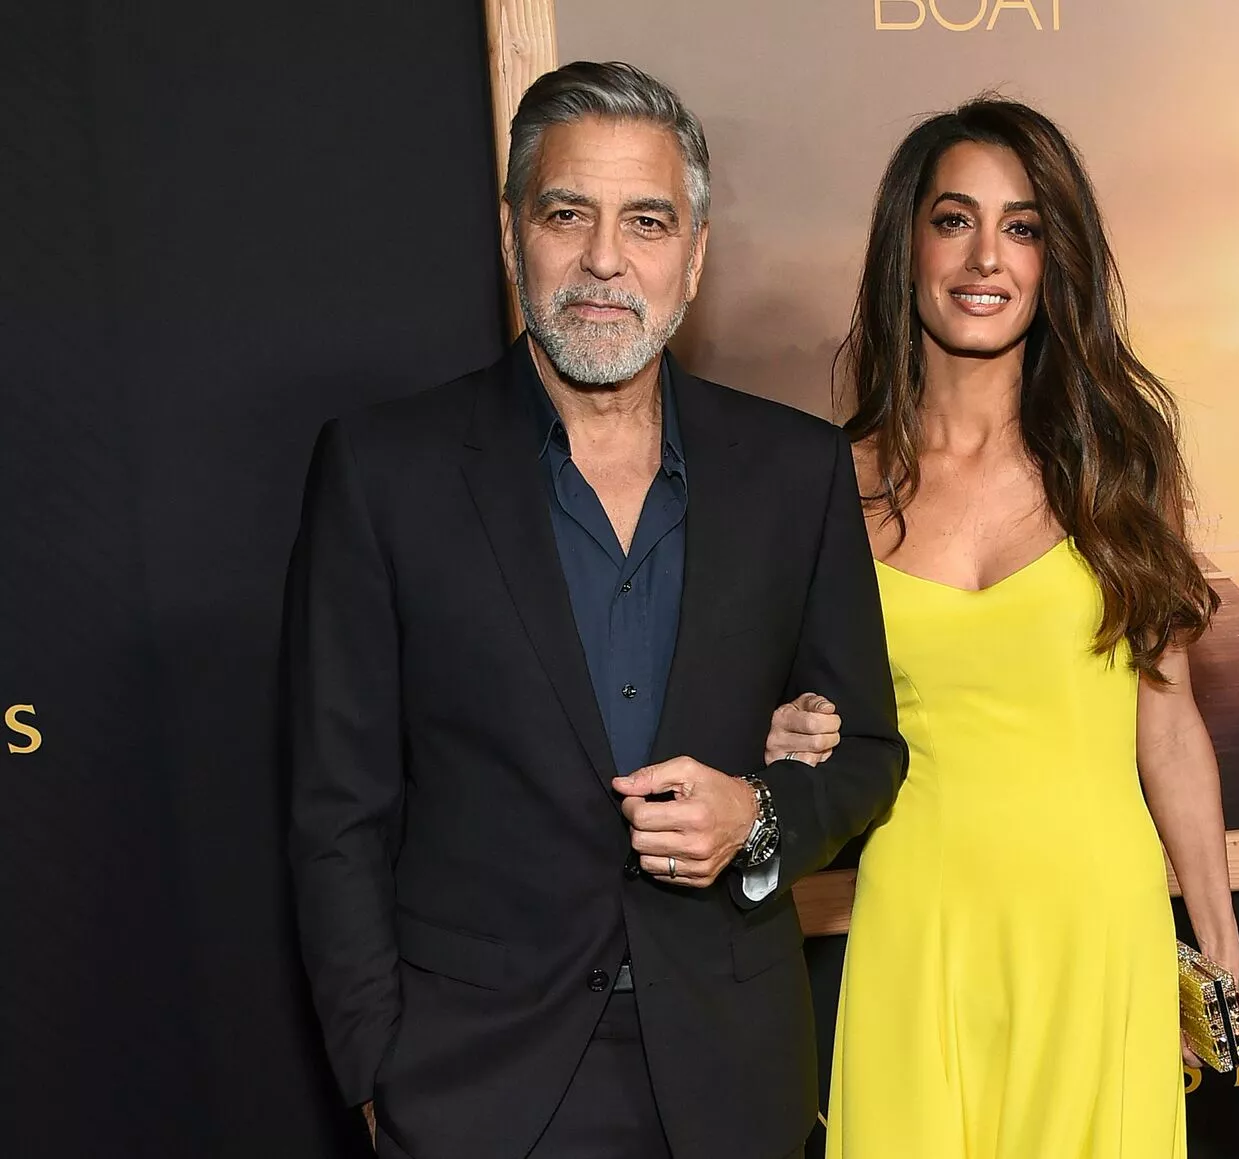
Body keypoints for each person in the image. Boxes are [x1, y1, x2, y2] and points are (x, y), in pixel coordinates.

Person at [284, 61, 905, 1159]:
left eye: (647, 221)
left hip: (730, 1075)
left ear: (694, 256)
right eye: (568, 214)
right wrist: (379, 1068)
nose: (605, 259)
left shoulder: (794, 469)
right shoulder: (384, 472)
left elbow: (863, 750)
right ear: (512, 234)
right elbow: (338, 808)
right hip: (473, 1085)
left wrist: (758, 816)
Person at [765, 97, 1239, 1158]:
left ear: (1051, 259)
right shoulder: (828, 486)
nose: (986, 256)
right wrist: (784, 729)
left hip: (1098, 928)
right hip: (917, 925)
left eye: (1021, 226)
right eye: (955, 219)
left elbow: (1168, 727)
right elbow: (792, 711)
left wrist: (1214, 940)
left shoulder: (1121, 466)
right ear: (907, 247)